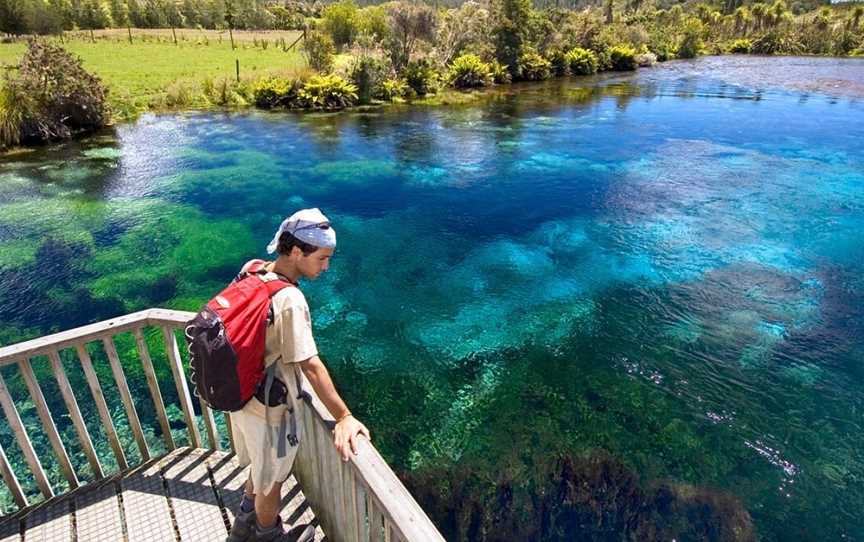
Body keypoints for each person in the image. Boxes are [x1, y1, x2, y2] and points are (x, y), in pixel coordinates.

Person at [227, 208, 370, 542]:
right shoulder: (289, 298)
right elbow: (310, 365)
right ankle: (267, 535)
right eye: (322, 258)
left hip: (241, 395)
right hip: (268, 407)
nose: (326, 267)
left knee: (261, 472)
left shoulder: (252, 269)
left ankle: (243, 525)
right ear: (295, 251)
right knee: (272, 482)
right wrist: (344, 416)